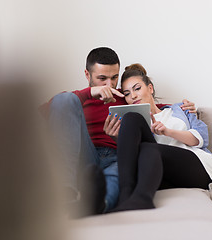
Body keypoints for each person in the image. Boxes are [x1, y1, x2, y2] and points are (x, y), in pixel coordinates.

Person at [46, 47, 196, 216]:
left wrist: (183, 108)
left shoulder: (127, 97)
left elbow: (157, 110)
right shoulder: (77, 98)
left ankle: (98, 204)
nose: (109, 85)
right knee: (65, 98)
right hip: (85, 154)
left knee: (121, 171)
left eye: (114, 78)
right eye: (102, 79)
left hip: (118, 157)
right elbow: (44, 115)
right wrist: (89, 93)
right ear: (88, 75)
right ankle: (67, 195)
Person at [105, 63, 212, 212]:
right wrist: (118, 138)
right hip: (160, 169)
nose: (133, 95)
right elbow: (135, 156)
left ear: (150, 88)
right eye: (127, 93)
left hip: (198, 166)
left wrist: (167, 131)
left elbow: (200, 139)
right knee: (132, 119)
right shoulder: (137, 124)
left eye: (137, 88)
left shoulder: (179, 109)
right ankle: (125, 195)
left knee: (149, 148)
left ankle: (141, 198)